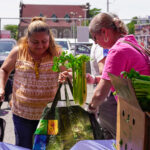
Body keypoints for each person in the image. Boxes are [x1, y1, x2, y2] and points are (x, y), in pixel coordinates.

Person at [0, 17, 65, 149]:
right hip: (22, 113)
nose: (40, 45)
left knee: (48, 147)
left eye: (44, 41)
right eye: (35, 42)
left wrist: (67, 75)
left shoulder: (57, 54)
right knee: (23, 146)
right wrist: (1, 88)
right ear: (27, 39)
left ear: (50, 39)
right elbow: (4, 69)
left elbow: (69, 74)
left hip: (50, 114)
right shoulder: (19, 51)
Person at [88, 12, 150, 134]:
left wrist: (90, 109)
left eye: (95, 37)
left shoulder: (117, 51)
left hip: (141, 115)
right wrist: (95, 79)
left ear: (105, 32)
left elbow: (101, 92)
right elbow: (118, 78)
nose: (95, 42)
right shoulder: (129, 42)